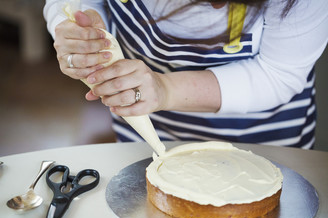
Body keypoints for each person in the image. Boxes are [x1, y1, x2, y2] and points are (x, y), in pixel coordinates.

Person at [44, 0, 328, 149]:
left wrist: (166, 89)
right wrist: (75, 30)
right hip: (151, 131)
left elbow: (278, 73)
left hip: (262, 139)